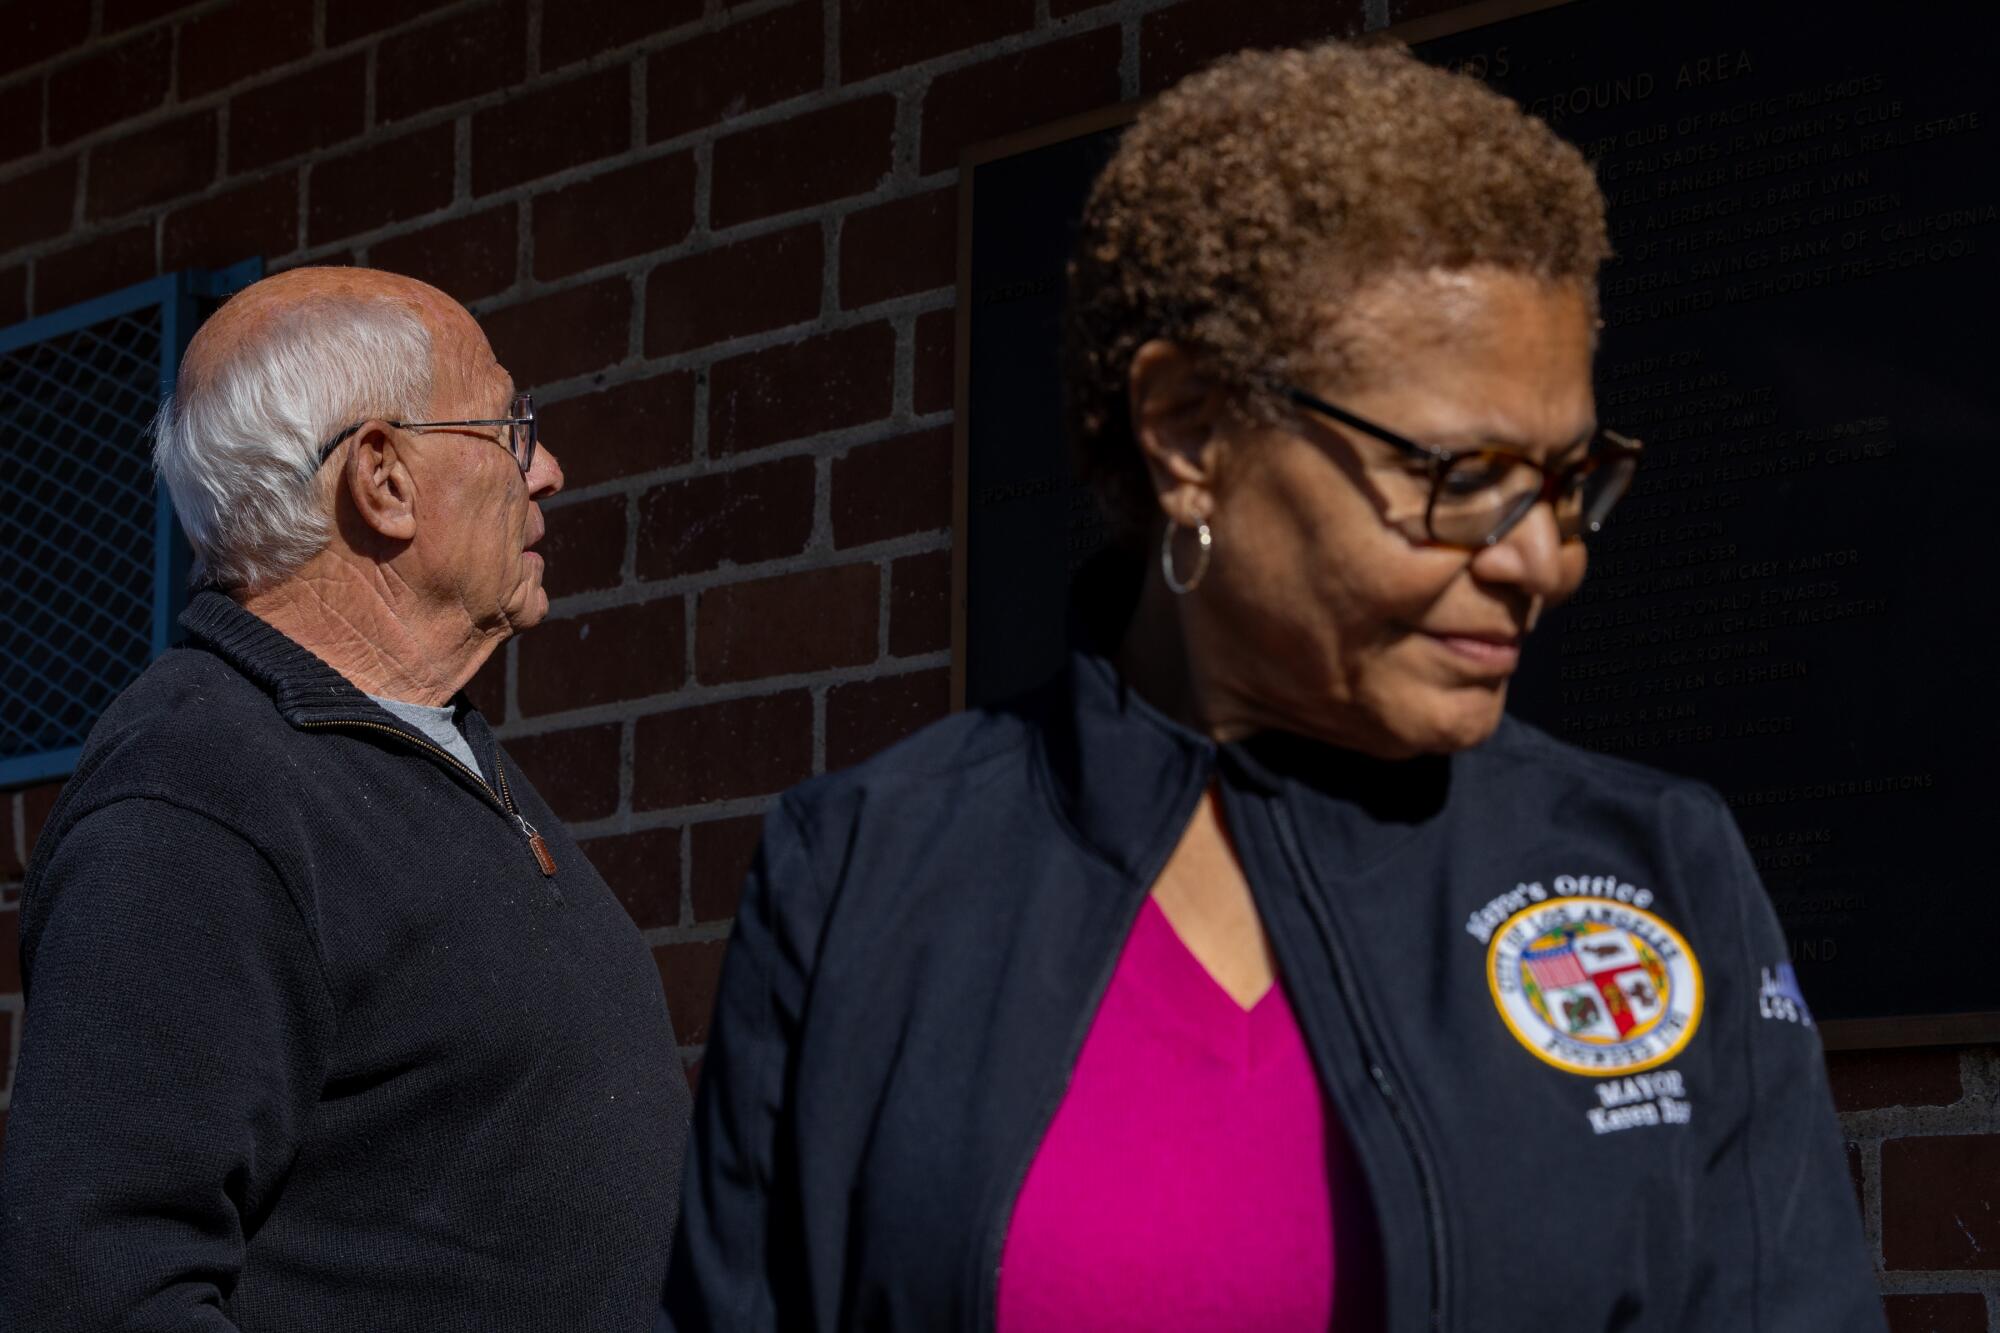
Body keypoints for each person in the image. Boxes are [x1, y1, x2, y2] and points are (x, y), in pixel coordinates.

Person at [663, 42, 1884, 1332]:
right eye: (1461, 475)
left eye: (1566, 481)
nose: (1545, 560)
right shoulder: (862, 874)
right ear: (1189, 432)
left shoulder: (1658, 867)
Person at [1, 268, 690, 1332]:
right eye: (510, 428)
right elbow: (95, 1289)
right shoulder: (197, 789)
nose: (548, 471)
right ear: (383, 478)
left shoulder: (416, 747)